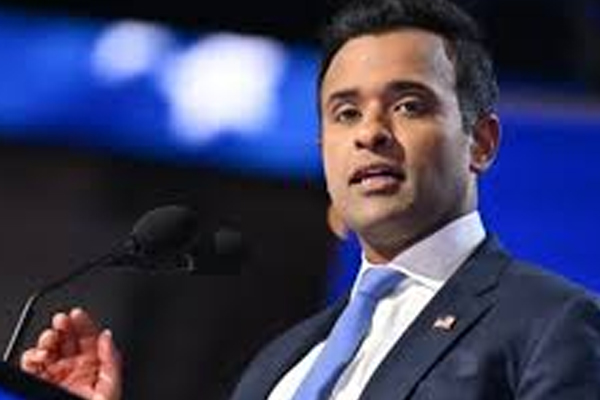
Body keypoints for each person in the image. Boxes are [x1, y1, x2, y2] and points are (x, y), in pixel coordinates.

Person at [19, 0, 600, 399]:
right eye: (345, 113)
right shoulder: (282, 360)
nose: (369, 133)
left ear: (481, 142)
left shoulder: (551, 323)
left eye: (408, 105)